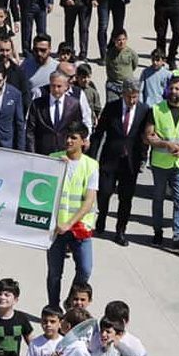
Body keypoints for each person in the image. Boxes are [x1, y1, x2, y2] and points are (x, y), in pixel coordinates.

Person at [90, 81, 150, 245]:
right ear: (123, 94)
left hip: (130, 162)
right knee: (104, 192)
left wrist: (144, 156)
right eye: (129, 97)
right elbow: (99, 132)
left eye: (135, 97)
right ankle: (101, 216)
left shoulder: (144, 110)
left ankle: (120, 231)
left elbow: (146, 136)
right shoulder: (111, 107)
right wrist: (91, 157)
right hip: (110, 159)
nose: (132, 101)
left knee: (126, 199)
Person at [46, 124, 99, 306]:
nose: (68, 141)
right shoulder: (54, 159)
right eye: (67, 136)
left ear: (83, 142)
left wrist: (70, 223)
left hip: (79, 227)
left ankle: (70, 299)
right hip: (56, 228)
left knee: (85, 269)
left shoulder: (91, 165)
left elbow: (89, 200)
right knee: (54, 272)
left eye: (73, 138)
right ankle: (53, 306)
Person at [148, 74, 179, 251]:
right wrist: (166, 144)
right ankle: (157, 232)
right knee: (158, 198)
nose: (174, 92)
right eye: (171, 88)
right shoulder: (156, 109)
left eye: (177, 89)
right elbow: (149, 136)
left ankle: (178, 236)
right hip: (160, 162)